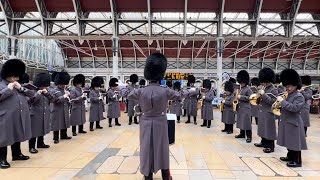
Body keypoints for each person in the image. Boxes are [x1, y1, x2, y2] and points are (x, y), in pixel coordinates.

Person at [127, 53, 191, 180]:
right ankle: (165, 176)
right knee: (162, 149)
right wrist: (191, 90)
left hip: (145, 122)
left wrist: (131, 85)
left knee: (146, 149)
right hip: (161, 122)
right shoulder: (165, 90)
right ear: (160, 74)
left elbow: (127, 94)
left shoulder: (141, 90)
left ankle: (147, 176)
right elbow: (180, 95)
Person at [0, 59, 33, 169]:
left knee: (17, 134)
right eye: (14, 76)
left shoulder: (19, 85)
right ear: (8, 75)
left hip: (18, 115)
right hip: (5, 116)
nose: (17, 79)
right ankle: (2, 159)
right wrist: (8, 90)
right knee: (4, 138)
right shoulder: (2, 85)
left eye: (18, 76)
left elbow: (31, 94)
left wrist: (21, 88)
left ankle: (16, 154)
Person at [277, 69, 307, 168]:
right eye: (286, 86)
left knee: (295, 142)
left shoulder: (299, 96)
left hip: (294, 122)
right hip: (287, 120)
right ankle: (290, 156)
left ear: (295, 85)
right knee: (289, 141)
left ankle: (297, 161)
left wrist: (282, 102)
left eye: (290, 86)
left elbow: (295, 108)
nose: (287, 88)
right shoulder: (287, 95)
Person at [254, 68, 278, 153]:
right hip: (262, 110)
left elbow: (273, 102)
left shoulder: (273, 90)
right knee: (262, 128)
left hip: (269, 112)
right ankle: (263, 142)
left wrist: (263, 94)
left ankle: (271, 146)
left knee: (269, 129)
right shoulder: (264, 88)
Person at [28, 73, 53, 154]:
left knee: (42, 128)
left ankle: (40, 143)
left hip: (44, 113)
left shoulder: (47, 91)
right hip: (35, 113)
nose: (44, 87)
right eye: (43, 85)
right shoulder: (32, 91)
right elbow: (31, 101)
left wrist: (46, 93)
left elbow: (52, 99)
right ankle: (31, 147)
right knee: (34, 131)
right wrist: (38, 94)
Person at [50, 72, 72, 144]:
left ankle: (64, 135)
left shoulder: (65, 90)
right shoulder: (53, 90)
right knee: (56, 124)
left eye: (64, 84)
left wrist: (69, 98)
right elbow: (54, 100)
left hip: (64, 108)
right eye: (61, 84)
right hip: (56, 109)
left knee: (64, 122)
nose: (63, 85)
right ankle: (55, 138)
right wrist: (64, 96)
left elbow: (67, 99)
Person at [235, 70, 253, 143]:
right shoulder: (240, 89)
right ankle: (242, 134)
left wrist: (241, 97)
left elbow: (250, 98)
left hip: (246, 108)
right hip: (240, 107)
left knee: (247, 123)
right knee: (241, 121)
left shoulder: (248, 89)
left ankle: (249, 136)